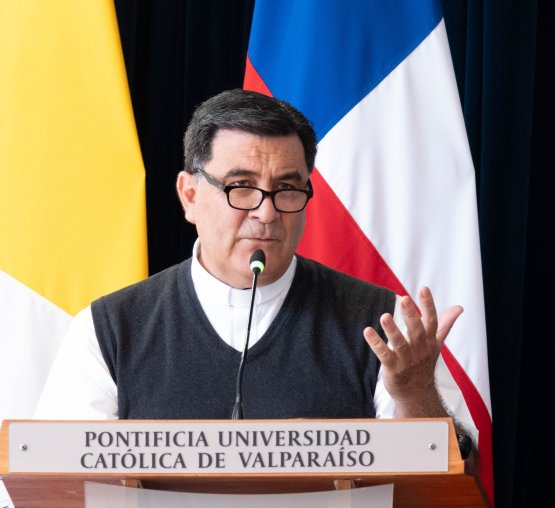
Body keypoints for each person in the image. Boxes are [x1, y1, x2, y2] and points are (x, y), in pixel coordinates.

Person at [34, 89, 465, 431]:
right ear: (190, 196)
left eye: (287, 189)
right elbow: (59, 484)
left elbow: (456, 477)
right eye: (241, 186)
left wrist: (415, 396)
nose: (267, 212)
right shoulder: (110, 329)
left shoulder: (384, 327)